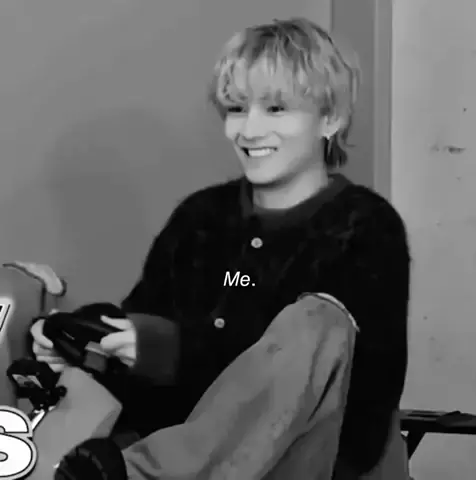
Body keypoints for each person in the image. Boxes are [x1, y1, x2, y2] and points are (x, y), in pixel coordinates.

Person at [31, 17, 410, 477]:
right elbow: (144, 355)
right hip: (174, 450)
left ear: (330, 119)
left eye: (275, 109)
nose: (248, 130)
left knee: (317, 320)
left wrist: (166, 349)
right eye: (236, 109)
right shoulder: (200, 218)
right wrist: (89, 341)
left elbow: (356, 402)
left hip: (317, 463)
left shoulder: (366, 228)